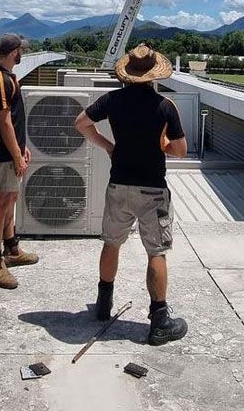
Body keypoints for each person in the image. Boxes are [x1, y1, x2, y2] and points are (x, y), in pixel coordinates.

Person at [74, 44, 189, 346]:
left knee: (112, 243)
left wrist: (107, 145)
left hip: (119, 186)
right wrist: (161, 144)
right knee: (156, 252)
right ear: (153, 75)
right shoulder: (165, 106)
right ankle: (160, 321)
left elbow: (81, 123)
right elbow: (180, 151)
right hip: (153, 189)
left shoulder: (112, 100)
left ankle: (103, 304)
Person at [0, 33, 38, 289]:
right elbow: (4, 121)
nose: (22, 54)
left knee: (10, 200)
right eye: (20, 50)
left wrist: (22, 147)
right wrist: (16, 155)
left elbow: (13, 121)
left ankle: (12, 249)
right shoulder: (1, 81)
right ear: (14, 52)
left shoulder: (6, 77)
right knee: (2, 202)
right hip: (3, 155)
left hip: (10, 152)